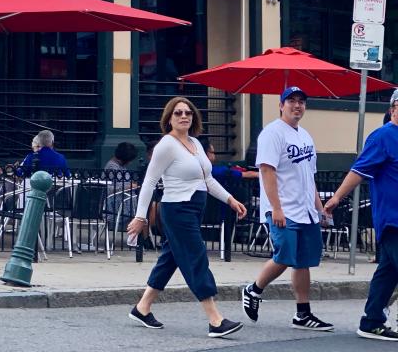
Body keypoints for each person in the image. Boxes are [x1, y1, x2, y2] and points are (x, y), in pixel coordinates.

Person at [126, 96, 246, 338]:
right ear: (169, 118)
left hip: (194, 208)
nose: (184, 116)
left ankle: (142, 307)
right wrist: (141, 217)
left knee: (171, 257)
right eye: (178, 113)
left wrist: (230, 200)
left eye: (188, 113)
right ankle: (215, 319)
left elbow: (207, 179)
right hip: (177, 209)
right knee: (195, 256)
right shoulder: (166, 145)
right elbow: (149, 182)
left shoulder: (195, 143)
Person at [241, 86, 334, 332]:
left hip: (306, 210)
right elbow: (267, 171)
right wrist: (276, 208)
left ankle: (303, 314)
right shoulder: (272, 134)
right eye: (291, 100)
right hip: (283, 208)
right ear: (281, 105)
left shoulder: (305, 135)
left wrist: (320, 208)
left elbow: (309, 176)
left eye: (301, 101)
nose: (297, 105)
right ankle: (254, 289)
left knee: (303, 261)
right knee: (285, 256)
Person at [323, 88, 398, 341]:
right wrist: (336, 197)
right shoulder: (383, 137)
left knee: (388, 271)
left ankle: (372, 321)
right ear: (393, 108)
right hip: (392, 219)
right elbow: (359, 171)